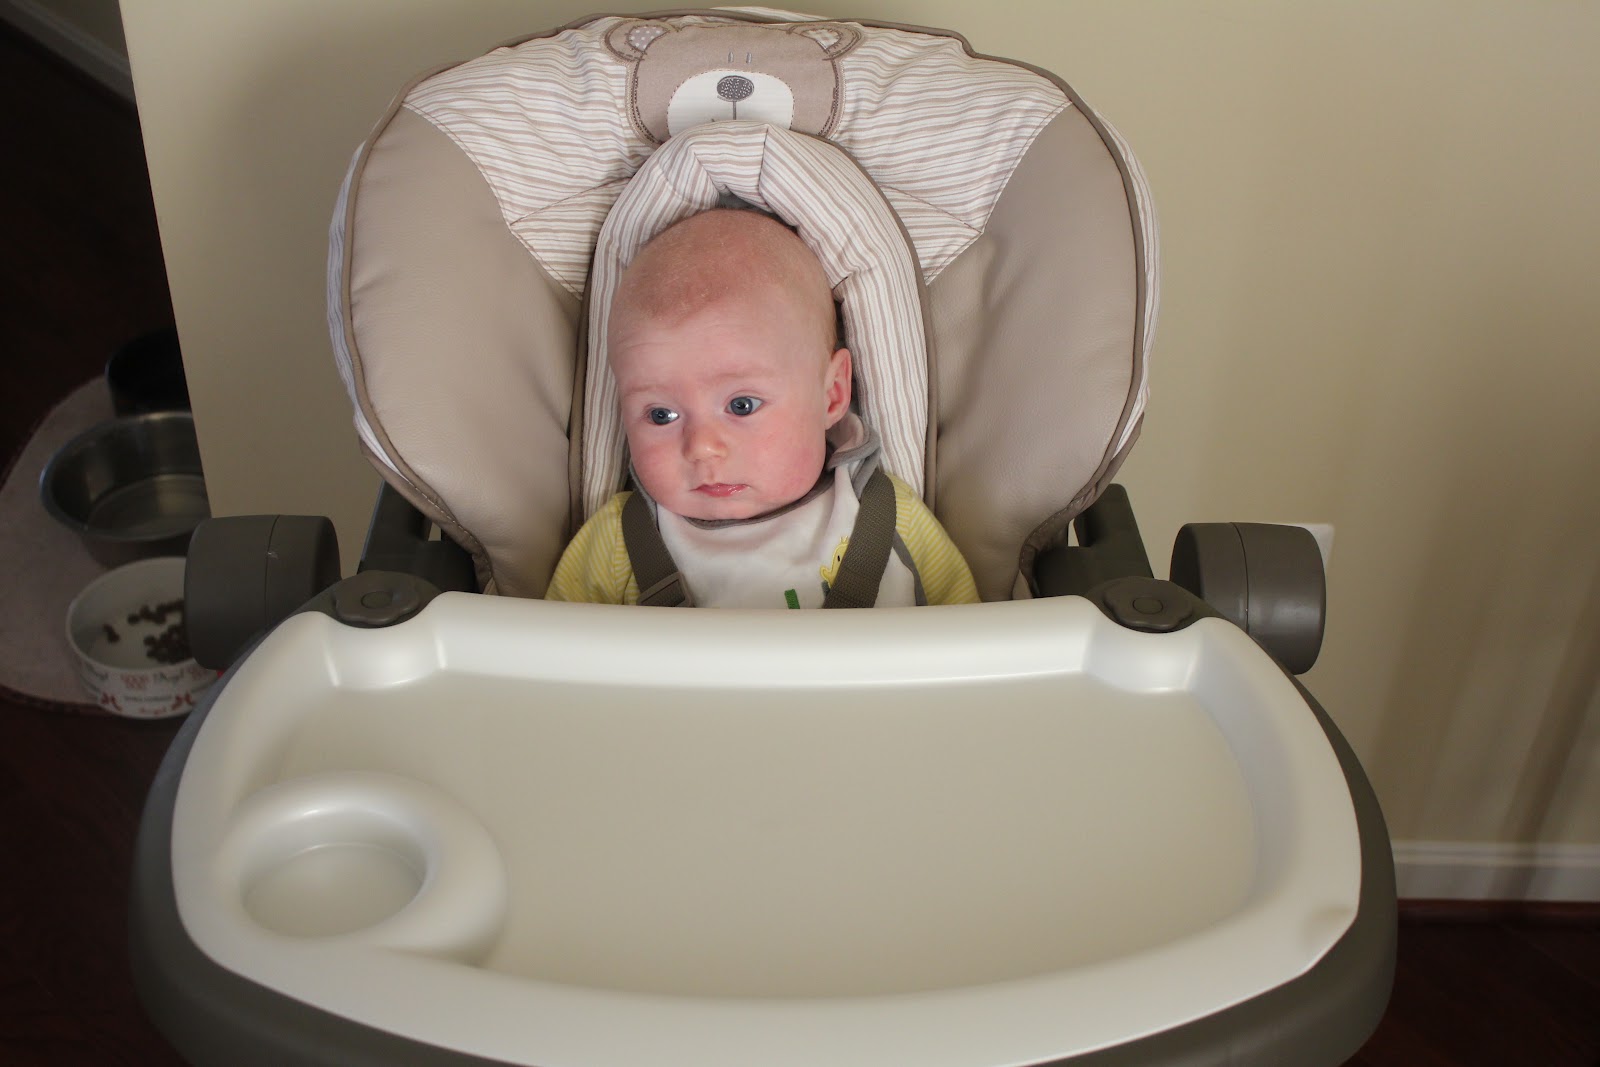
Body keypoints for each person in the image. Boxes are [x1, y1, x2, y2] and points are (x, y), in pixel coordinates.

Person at [546, 208, 977, 608]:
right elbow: (538, 667)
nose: (702, 447)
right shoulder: (620, 542)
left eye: (742, 404)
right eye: (661, 415)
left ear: (831, 395)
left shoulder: (887, 518)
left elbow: (977, 647)